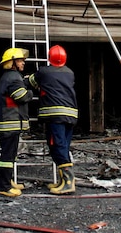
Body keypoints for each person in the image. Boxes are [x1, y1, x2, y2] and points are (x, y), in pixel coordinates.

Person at [27, 44, 78, 194]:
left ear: (49, 58)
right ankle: (63, 182)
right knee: (64, 146)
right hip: (71, 114)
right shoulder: (70, 72)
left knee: (57, 146)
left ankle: (69, 183)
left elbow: (31, 81)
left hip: (55, 116)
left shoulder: (44, 72)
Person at [0, 47, 33, 197]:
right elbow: (21, 97)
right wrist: (30, 91)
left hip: (8, 122)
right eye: (20, 60)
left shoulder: (10, 77)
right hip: (10, 122)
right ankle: (3, 187)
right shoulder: (13, 77)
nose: (23, 62)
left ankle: (8, 181)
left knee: (10, 155)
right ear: (11, 63)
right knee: (7, 157)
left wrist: (24, 82)